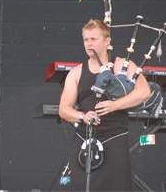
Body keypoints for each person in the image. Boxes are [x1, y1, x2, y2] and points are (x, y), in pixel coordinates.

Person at [55, 19, 151, 191]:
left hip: (115, 138)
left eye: (93, 39)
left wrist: (115, 105)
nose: (89, 43)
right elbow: (63, 109)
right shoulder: (76, 73)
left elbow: (144, 92)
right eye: (86, 40)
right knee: (69, 186)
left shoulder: (122, 65)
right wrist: (82, 116)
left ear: (107, 41)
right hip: (85, 138)